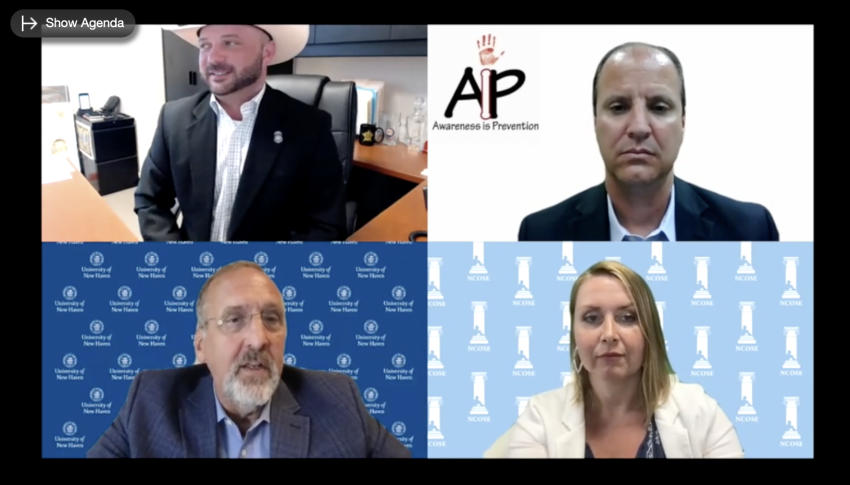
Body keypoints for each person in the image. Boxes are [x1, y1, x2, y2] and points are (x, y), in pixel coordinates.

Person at [87, 261, 410, 458]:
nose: (258, 338)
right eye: (234, 320)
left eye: (272, 318)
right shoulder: (151, 400)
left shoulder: (339, 400)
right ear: (201, 346)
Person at [518, 42, 779, 242]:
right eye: (619, 107)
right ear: (595, 121)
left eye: (659, 107)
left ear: (683, 121)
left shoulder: (750, 232)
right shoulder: (541, 236)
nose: (639, 127)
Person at [484, 260, 743, 458]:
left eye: (627, 317)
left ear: (649, 331)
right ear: (574, 335)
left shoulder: (701, 412)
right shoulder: (540, 416)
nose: (609, 334)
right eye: (592, 318)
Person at [135, 25, 347, 242]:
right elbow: (150, 199)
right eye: (205, 45)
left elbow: (325, 224)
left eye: (231, 43)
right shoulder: (174, 119)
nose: (213, 58)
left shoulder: (309, 127)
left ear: (267, 52)